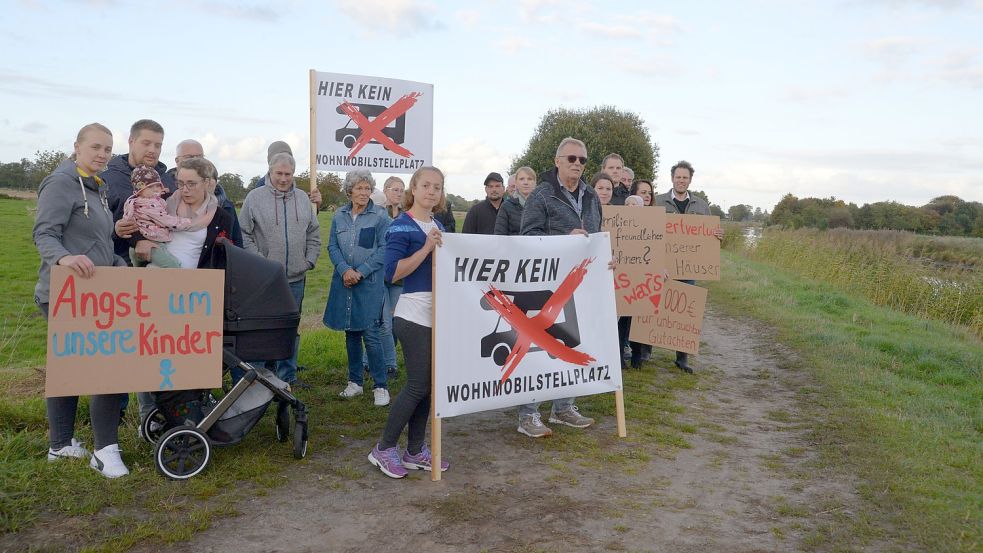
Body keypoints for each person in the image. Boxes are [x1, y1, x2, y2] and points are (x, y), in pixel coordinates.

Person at [33, 123, 129, 478]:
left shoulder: (96, 186)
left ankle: (60, 446)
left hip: (94, 294)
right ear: (77, 147)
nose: (103, 154)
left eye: (108, 149)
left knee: (69, 370)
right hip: (65, 294)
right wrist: (64, 259)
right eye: (96, 148)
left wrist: (121, 266)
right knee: (106, 365)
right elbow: (44, 233)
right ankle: (105, 451)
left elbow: (101, 243)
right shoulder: (61, 183)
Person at [368, 166, 450, 478]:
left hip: (435, 315)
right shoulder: (401, 226)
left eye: (437, 187)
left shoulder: (437, 224)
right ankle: (384, 448)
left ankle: (415, 450)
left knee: (429, 387)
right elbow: (393, 272)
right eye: (426, 185)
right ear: (413, 189)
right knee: (417, 384)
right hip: (413, 314)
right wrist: (427, 248)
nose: (432, 191)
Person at [516, 137, 599, 438]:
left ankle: (564, 407)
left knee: (572, 342)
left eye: (582, 160)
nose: (577, 164)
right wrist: (567, 237)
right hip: (546, 285)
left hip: (579, 284)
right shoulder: (542, 194)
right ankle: (528, 414)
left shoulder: (591, 195)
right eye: (571, 158)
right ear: (557, 161)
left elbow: (597, 235)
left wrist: (605, 257)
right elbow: (529, 235)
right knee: (538, 346)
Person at [239, 153, 321, 386]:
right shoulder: (254, 198)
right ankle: (261, 378)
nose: (283, 179)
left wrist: (309, 260)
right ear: (270, 171)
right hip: (264, 279)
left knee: (290, 329)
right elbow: (243, 233)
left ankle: (288, 377)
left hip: (296, 278)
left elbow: (313, 232)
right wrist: (260, 263)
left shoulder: (304, 200)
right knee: (263, 328)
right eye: (279, 174)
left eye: (288, 174)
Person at [324, 170, 392, 406]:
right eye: (359, 188)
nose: (364, 193)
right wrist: (344, 270)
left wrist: (360, 271)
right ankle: (355, 382)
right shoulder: (339, 216)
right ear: (349, 191)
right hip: (344, 283)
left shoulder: (381, 217)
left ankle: (380, 386)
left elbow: (385, 249)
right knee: (350, 333)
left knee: (371, 334)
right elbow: (332, 247)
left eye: (367, 188)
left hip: (369, 284)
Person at [653, 160, 723, 373]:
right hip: (663, 265)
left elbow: (710, 236)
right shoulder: (658, 202)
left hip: (689, 267)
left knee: (685, 311)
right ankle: (644, 351)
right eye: (678, 177)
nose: (681, 180)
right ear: (672, 178)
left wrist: (718, 236)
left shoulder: (701, 206)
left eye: (685, 177)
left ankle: (681, 358)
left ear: (690, 180)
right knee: (652, 305)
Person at [104, 119, 176, 264]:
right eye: (146, 143)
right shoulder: (106, 181)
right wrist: (115, 231)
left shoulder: (169, 182)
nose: (152, 150)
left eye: (158, 145)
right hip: (119, 268)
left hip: (164, 266)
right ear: (131, 141)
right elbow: (88, 229)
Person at [122, 166, 214, 268]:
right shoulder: (153, 203)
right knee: (173, 267)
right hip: (154, 245)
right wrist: (138, 241)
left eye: (157, 186)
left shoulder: (219, 215)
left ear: (205, 183)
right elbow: (165, 221)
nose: (185, 189)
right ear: (140, 190)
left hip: (190, 278)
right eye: (181, 183)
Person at [165, 139, 243, 247]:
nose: (196, 161)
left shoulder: (224, 205)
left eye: (200, 157)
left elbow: (234, 242)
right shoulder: (161, 192)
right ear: (177, 161)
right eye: (190, 157)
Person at [254, 141, 322, 210]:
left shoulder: (292, 184)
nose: (283, 179)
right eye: (279, 157)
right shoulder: (261, 185)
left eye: (287, 157)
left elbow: (303, 217)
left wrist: (314, 205)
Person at [494, 166, 536, 236]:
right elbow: (499, 236)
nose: (526, 182)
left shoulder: (544, 205)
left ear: (535, 183)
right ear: (516, 183)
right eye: (521, 179)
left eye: (530, 179)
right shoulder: (506, 206)